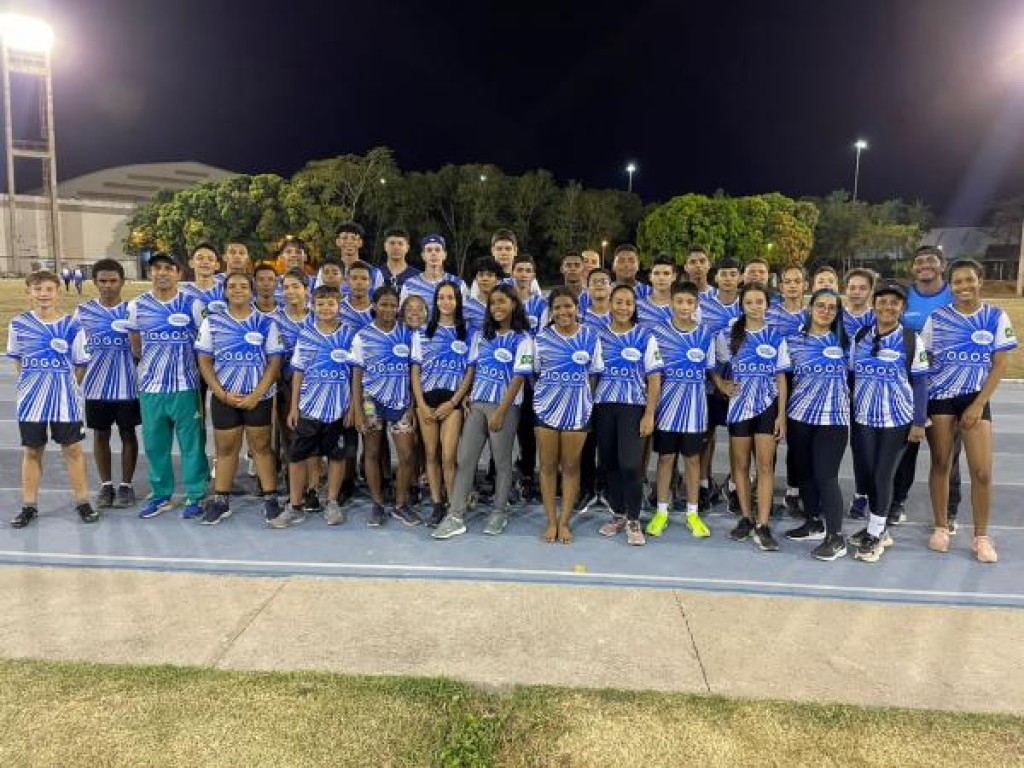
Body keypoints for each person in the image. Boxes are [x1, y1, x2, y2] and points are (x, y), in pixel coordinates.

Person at [921, 259, 1016, 562]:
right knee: (941, 463)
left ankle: (981, 537)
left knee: (982, 471)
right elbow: (924, 360)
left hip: (975, 398)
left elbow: (1000, 364)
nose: (964, 286)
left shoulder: (995, 317)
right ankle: (941, 527)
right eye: (958, 282)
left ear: (980, 281)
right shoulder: (937, 318)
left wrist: (978, 404)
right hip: (940, 397)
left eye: (969, 280)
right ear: (950, 286)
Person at [433, 285, 534, 539]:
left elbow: (518, 378)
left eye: (502, 302)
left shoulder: (523, 339)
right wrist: (466, 395)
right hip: (477, 405)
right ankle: (455, 515)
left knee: (502, 462)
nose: (497, 307)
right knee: (465, 459)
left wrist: (501, 411)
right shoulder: (481, 335)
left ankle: (499, 511)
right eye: (493, 303)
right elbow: (472, 370)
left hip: (504, 407)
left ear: (513, 304)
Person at [7, 270, 97, 528]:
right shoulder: (18, 324)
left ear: (58, 293)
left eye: (49, 289)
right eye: (37, 289)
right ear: (29, 293)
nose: (43, 294)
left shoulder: (73, 326)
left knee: (73, 449)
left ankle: (83, 502)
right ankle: (29, 505)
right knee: (32, 451)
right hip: (31, 402)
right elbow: (18, 361)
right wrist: (31, 386)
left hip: (65, 401)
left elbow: (80, 364)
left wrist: (67, 388)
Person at [847, 282, 928, 562]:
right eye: (882, 301)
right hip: (864, 418)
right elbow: (851, 375)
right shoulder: (861, 336)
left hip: (897, 419)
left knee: (883, 474)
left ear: (902, 307)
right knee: (869, 473)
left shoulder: (910, 339)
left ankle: (876, 532)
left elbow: (920, 382)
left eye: (894, 302)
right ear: (874, 305)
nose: (887, 307)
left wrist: (919, 421)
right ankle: (877, 527)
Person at [196, 273, 285, 525]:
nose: (238, 290)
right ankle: (221, 501)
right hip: (225, 398)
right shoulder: (212, 322)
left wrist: (257, 394)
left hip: (258, 398)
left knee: (261, 448)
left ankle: (270, 499)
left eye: (244, 286)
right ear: (225, 292)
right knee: (225, 449)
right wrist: (221, 393)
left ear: (251, 291)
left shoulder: (266, 323)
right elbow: (204, 361)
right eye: (232, 286)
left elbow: (274, 362)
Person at [127, 252, 209, 519]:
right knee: (155, 445)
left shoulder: (193, 304)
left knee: (192, 444)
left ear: (179, 274)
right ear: (150, 273)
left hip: (185, 386)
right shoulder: (137, 306)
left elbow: (204, 343)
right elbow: (136, 345)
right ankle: (161, 494)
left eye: (168, 268)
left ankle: (196, 494)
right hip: (151, 388)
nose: (162, 273)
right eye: (156, 268)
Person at [711, 282, 789, 552]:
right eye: (749, 302)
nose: (755, 307)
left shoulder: (776, 337)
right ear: (741, 305)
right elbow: (711, 364)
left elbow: (781, 378)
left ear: (767, 305)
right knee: (741, 467)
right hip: (739, 409)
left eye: (759, 302)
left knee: (765, 467)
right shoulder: (728, 335)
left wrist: (781, 415)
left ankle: (763, 524)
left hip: (767, 408)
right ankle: (746, 517)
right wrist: (721, 384)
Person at [889, 245, 961, 529]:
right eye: (919, 261)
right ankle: (897, 502)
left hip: (946, 388)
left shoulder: (954, 295)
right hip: (908, 387)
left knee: (947, 455)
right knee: (904, 450)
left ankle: (949, 510)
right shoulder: (904, 297)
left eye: (931, 260)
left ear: (943, 265)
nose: (925, 265)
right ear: (913, 268)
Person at [783, 289, 851, 560]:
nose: (825, 311)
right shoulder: (793, 341)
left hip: (833, 419)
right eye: (820, 306)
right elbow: (783, 380)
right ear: (810, 308)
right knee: (805, 473)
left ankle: (836, 537)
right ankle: (813, 522)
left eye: (832, 308)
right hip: (799, 416)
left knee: (826, 476)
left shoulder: (847, 342)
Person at [533, 287, 604, 544]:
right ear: (551, 312)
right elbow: (535, 373)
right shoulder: (541, 339)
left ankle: (565, 522)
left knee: (571, 466)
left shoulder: (590, 337)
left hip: (578, 411)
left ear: (577, 308)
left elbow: (594, 374)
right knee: (548, 466)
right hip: (546, 410)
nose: (563, 311)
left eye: (568, 306)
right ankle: (551, 521)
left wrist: (582, 399)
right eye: (557, 308)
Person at [284, 285, 359, 527]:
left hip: (339, 408)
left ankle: (332, 502)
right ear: (313, 306)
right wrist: (294, 407)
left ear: (339, 306)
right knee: (298, 456)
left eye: (331, 303)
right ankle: (295, 505)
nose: (326, 308)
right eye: (320, 304)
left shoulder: (351, 335)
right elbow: (298, 372)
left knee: (337, 456)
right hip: (309, 408)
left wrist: (353, 407)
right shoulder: (306, 335)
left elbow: (356, 374)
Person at [593, 285, 662, 545]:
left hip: (633, 408)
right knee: (609, 463)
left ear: (635, 307)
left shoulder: (645, 337)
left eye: (628, 303)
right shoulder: (598, 336)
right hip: (604, 406)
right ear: (610, 304)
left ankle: (634, 519)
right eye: (618, 302)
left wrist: (649, 414)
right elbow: (592, 375)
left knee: (631, 465)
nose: (623, 308)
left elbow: (654, 379)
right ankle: (618, 514)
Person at [648, 282, 714, 539]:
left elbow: (710, 370)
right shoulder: (657, 333)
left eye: (689, 302)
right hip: (666, 409)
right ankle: (661, 512)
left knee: (693, 460)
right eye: (680, 301)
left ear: (696, 305)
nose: (684, 306)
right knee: (665, 459)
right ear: (672, 303)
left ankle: (692, 513)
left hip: (695, 412)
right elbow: (652, 373)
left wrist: (723, 384)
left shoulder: (706, 334)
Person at [75, 258, 140, 509]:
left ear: (122, 282)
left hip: (128, 385)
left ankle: (126, 486)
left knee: (128, 433)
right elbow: (75, 350)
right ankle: (106, 485)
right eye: (103, 281)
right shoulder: (83, 312)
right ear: (94, 282)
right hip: (95, 386)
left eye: (113, 281)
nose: (108, 286)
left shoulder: (133, 310)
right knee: (100, 434)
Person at [351, 287, 418, 526]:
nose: (388, 309)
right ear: (374, 306)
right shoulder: (362, 336)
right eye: (383, 304)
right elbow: (357, 376)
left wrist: (412, 405)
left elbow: (414, 372)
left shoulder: (408, 334)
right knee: (371, 453)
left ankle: (400, 504)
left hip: (400, 402)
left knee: (407, 455)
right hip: (371, 402)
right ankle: (377, 504)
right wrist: (358, 410)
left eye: (393, 305)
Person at [411, 282, 475, 527]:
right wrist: (420, 404)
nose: (446, 302)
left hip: (452, 402)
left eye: (450, 297)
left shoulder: (467, 332)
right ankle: (437, 503)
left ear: (458, 301)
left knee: (449, 456)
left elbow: (470, 371)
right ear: (435, 301)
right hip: (427, 400)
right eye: (441, 298)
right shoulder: (422, 332)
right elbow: (415, 371)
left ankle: (453, 506)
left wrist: (454, 401)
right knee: (431, 454)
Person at [698, 257, 742, 511]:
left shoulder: (747, 304)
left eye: (733, 274)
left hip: (741, 383)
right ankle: (704, 483)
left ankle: (735, 485)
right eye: (724, 274)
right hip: (711, 380)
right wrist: (716, 379)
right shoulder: (702, 306)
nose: (728, 278)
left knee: (738, 436)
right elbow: (698, 343)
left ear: (740, 277)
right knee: (707, 433)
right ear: (716, 278)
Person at [272, 270, 318, 512]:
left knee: (313, 441)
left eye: (295, 286)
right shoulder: (275, 320)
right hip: (286, 387)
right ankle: (294, 490)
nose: (290, 291)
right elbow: (271, 357)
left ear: (306, 289)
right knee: (290, 439)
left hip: (316, 388)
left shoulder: (318, 317)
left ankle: (313, 489)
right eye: (286, 287)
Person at [766, 265, 808, 516]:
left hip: (804, 383)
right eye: (787, 281)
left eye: (797, 281)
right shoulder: (769, 314)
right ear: (780, 287)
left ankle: (794, 489)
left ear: (805, 285)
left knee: (798, 440)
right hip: (774, 382)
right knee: (769, 438)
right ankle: (764, 488)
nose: (792, 285)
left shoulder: (813, 314)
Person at [576, 268, 613, 512]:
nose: (599, 285)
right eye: (594, 282)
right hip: (585, 390)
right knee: (586, 443)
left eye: (604, 281)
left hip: (613, 390)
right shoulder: (580, 318)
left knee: (608, 443)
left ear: (611, 286)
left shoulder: (620, 316)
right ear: (587, 288)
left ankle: (607, 488)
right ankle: (587, 488)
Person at [841, 268, 877, 520]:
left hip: (868, 385)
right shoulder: (835, 315)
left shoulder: (878, 317)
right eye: (852, 287)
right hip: (833, 384)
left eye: (862, 288)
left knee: (864, 443)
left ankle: (863, 493)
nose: (856, 292)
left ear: (871, 291)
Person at [399, 234, 466, 311]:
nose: (433, 253)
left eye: (437, 250)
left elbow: (465, 314)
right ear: (423, 255)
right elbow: (402, 314)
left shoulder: (459, 284)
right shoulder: (409, 285)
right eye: (429, 250)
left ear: (444, 255)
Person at [334, 221, 384, 294]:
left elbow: (380, 298)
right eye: (345, 238)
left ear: (360, 243)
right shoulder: (327, 271)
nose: (349, 242)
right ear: (338, 242)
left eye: (354, 238)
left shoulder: (375, 273)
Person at [182, 242, 227, 314]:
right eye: (200, 258)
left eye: (210, 259)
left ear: (217, 265)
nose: (205, 262)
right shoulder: (181, 292)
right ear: (191, 263)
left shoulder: (227, 289)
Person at [463, 257, 500, 334]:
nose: (485, 279)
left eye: (489, 275)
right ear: (476, 278)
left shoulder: (504, 307)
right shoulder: (467, 307)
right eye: (481, 275)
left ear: (497, 279)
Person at [637, 253, 675, 327]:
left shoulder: (682, 307)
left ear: (674, 276)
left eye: (666, 273)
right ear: (650, 277)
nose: (661, 278)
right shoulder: (638, 307)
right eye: (656, 273)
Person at [339, 261, 375, 331]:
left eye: (364, 279)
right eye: (354, 278)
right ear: (347, 281)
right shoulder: (337, 309)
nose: (359, 282)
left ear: (370, 283)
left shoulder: (379, 310)